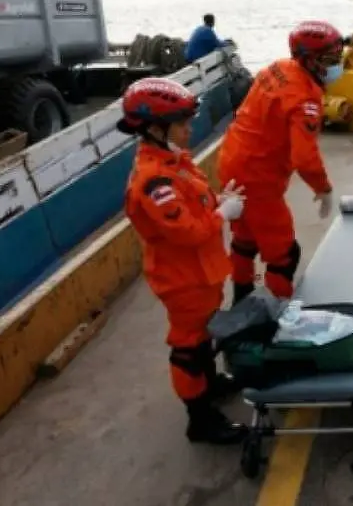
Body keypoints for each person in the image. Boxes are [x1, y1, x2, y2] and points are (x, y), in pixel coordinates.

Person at [118, 77, 247, 445]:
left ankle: (210, 385)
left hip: (201, 273)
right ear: (156, 129)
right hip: (183, 279)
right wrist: (224, 214)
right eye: (183, 124)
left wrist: (219, 201)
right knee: (189, 348)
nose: (190, 129)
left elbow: (194, 205)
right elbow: (186, 231)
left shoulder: (174, 162)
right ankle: (201, 420)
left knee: (203, 337)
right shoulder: (154, 181)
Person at [217, 21, 343, 302]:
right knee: (285, 255)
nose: (336, 65)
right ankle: (273, 315)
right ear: (309, 60)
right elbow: (304, 157)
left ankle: (242, 297)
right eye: (330, 60)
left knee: (245, 240)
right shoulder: (305, 98)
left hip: (232, 160)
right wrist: (323, 189)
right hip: (258, 177)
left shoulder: (277, 67)